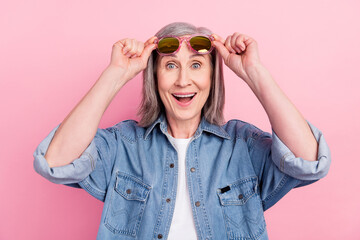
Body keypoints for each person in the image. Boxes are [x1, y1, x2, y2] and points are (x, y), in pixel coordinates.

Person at [33, 22, 331, 240]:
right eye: (171, 65)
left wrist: (254, 73)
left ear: (213, 77)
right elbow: (56, 162)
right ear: (154, 76)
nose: (183, 81)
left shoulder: (242, 146)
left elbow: (309, 161)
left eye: (197, 65)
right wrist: (115, 75)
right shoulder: (122, 146)